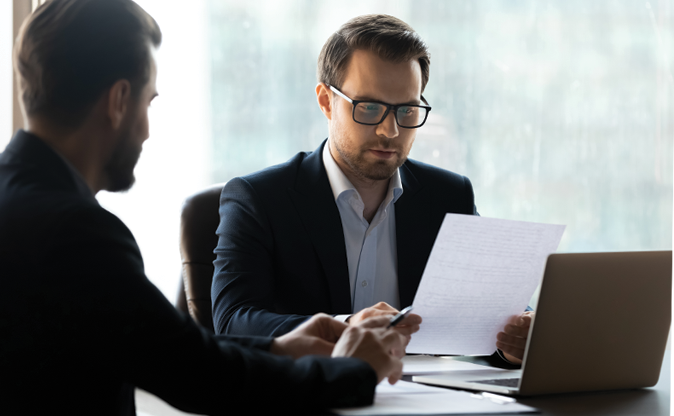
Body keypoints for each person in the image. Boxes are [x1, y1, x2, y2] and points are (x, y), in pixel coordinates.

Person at [0, 2, 415, 415]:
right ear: (118, 101)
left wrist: (279, 347)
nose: (147, 130)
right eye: (149, 102)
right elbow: (200, 378)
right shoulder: (71, 231)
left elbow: (163, 346)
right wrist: (354, 369)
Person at [211, 14, 533, 364]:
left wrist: (516, 339)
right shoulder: (259, 199)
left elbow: (495, 308)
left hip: (431, 400)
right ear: (325, 101)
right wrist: (346, 329)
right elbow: (232, 322)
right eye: (369, 107)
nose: (390, 130)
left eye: (407, 111)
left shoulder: (448, 196)